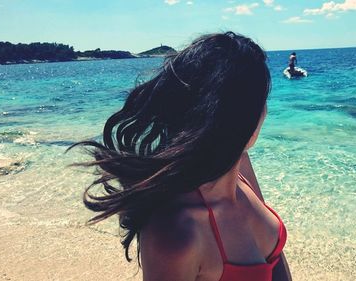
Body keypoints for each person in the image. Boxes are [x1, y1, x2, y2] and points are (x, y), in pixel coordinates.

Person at [68, 32, 292, 281]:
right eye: (262, 102)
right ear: (243, 118)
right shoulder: (177, 233)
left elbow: (276, 261)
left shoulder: (241, 169)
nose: (265, 112)